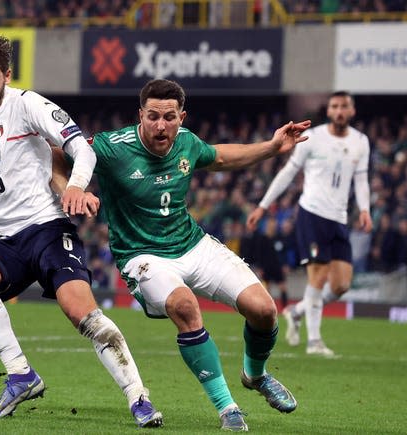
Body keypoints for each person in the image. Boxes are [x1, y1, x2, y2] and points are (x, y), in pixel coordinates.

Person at [0, 35, 163, 428]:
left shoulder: (29, 104)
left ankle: (138, 397)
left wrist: (75, 186)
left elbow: (82, 148)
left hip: (47, 228)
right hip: (0, 242)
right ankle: (21, 375)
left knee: (81, 312)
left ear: (7, 75)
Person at [81, 79, 307, 431]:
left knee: (264, 310)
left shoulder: (187, 143)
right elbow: (57, 153)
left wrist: (272, 147)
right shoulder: (112, 147)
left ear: (181, 118)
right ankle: (227, 407)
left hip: (191, 243)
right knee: (185, 307)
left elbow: (219, 157)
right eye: (152, 116)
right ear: (140, 115)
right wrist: (72, 188)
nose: (160, 125)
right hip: (143, 255)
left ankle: (256, 375)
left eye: (169, 117)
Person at [247, 91, 373, 357]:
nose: (339, 111)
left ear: (351, 111)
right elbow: (288, 172)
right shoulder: (313, 138)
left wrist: (364, 209)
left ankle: (297, 311)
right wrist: (262, 205)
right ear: (328, 111)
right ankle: (314, 341)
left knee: (341, 285)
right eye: (335, 106)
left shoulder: (361, 142)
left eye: (344, 107)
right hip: (312, 214)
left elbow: (360, 180)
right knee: (318, 276)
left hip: (339, 218)